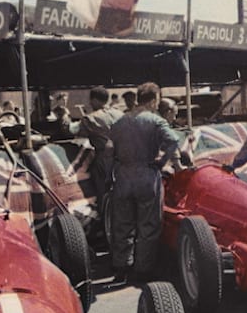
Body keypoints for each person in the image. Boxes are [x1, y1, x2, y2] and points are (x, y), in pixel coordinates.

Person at [107, 82, 182, 282]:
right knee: (148, 225)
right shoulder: (155, 121)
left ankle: (121, 266)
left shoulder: (119, 122)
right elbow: (174, 140)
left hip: (123, 175)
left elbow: (109, 150)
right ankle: (143, 270)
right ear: (154, 100)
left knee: (122, 225)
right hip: (147, 174)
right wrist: (162, 161)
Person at [77, 86, 124, 199]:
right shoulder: (120, 114)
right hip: (124, 158)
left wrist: (64, 115)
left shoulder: (90, 118)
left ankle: (105, 213)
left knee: (103, 192)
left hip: (104, 160)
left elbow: (72, 131)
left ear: (94, 100)